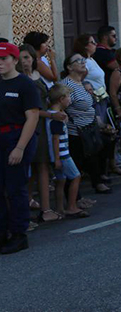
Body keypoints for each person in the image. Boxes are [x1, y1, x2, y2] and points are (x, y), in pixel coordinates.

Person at [0, 42, 43, 254]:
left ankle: (19, 235)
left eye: (4, 59)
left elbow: (32, 117)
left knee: (15, 188)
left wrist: (19, 148)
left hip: (17, 137)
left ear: (14, 60)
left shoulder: (25, 84)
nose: (0, 63)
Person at [17, 45, 57, 223]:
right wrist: (50, 114)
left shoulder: (37, 75)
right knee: (28, 167)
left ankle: (45, 208)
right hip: (28, 125)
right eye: (21, 58)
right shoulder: (18, 79)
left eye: (27, 57)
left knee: (41, 165)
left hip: (42, 126)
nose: (24, 61)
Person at [61, 53, 111, 194]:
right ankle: (74, 200)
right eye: (78, 61)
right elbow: (58, 105)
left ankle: (97, 182)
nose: (83, 62)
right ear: (69, 67)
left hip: (90, 127)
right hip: (76, 131)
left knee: (98, 151)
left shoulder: (82, 83)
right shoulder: (66, 85)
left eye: (83, 60)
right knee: (76, 165)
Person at [46, 85, 86, 219]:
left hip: (56, 155)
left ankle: (59, 208)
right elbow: (55, 138)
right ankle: (71, 206)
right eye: (68, 97)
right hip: (62, 155)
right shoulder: (57, 117)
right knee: (75, 176)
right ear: (61, 99)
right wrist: (57, 158)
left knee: (60, 180)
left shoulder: (51, 114)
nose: (70, 100)